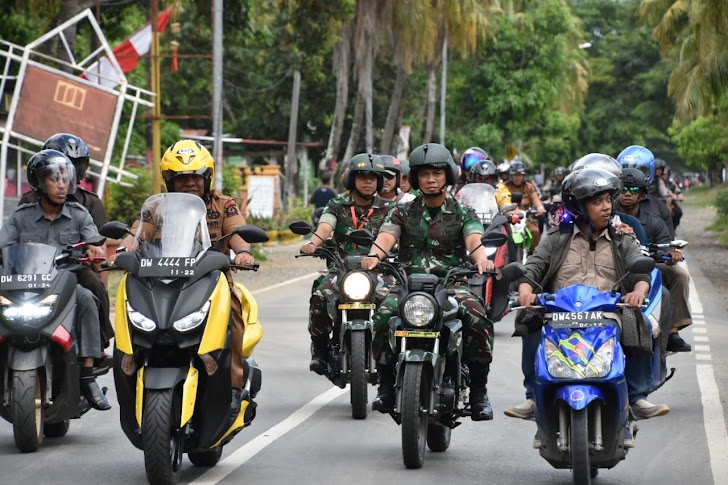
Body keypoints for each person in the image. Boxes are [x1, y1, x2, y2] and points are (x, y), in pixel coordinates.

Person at [504, 167, 670, 421]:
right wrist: (525, 289)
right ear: (579, 207)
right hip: (560, 313)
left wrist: (638, 291)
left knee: (638, 322)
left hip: (607, 313)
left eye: (607, 201)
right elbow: (534, 266)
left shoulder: (621, 238)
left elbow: (639, 269)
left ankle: (637, 398)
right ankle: (533, 397)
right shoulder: (557, 238)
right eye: (597, 202)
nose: (607, 207)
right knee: (529, 322)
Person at [362, 143, 497, 421]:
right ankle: (386, 386)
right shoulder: (403, 210)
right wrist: (374, 255)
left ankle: (479, 393)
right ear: (416, 179)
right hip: (409, 285)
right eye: (424, 174)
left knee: (478, 317)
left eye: (437, 173)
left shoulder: (463, 212)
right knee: (381, 317)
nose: (431, 179)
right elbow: (387, 235)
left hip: (450, 285)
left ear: (448, 175)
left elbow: (474, 238)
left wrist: (481, 258)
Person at [121, 139, 255, 419]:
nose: (190, 183)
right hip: (160, 282)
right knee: (129, 311)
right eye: (182, 178)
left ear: (207, 177)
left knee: (234, 317)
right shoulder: (156, 208)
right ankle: (129, 373)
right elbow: (136, 235)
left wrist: (243, 253)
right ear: (169, 181)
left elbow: (239, 235)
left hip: (210, 282)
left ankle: (233, 386)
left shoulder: (223, 204)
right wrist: (123, 252)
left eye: (196, 176)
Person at [0, 150, 111, 410]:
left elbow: (96, 246)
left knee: (86, 299)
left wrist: (96, 253)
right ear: (39, 182)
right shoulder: (21, 216)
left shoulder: (80, 213)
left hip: (66, 282)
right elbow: (3, 244)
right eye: (54, 179)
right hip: (26, 284)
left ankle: (86, 374)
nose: (61, 185)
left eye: (65, 178)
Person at [19, 133, 113, 355]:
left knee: (95, 287)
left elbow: (98, 246)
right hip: (34, 269)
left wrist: (95, 256)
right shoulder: (29, 200)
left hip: (75, 268)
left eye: (75, 165)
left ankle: (96, 345)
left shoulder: (90, 202)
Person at [300, 153, 393, 374]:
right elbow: (325, 226)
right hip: (342, 270)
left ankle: (391, 356)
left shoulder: (389, 209)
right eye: (362, 177)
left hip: (379, 271)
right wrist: (313, 243)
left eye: (373, 177)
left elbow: (394, 233)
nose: (368, 181)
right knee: (321, 294)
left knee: (395, 304)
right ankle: (320, 350)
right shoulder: (337, 204)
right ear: (352, 179)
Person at [616, 168, 692, 352]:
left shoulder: (654, 220)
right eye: (623, 189)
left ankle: (672, 331)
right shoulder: (608, 217)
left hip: (648, 263)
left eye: (633, 190)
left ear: (642, 195)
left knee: (679, 274)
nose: (627, 193)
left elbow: (666, 246)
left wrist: (671, 255)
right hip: (615, 263)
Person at [504, 161, 546, 250]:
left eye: (520, 175)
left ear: (524, 176)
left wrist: (540, 207)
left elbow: (535, 198)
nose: (517, 178)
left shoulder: (529, 186)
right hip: (507, 218)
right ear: (511, 176)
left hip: (524, 217)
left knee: (535, 231)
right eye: (515, 175)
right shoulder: (504, 186)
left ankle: (532, 254)